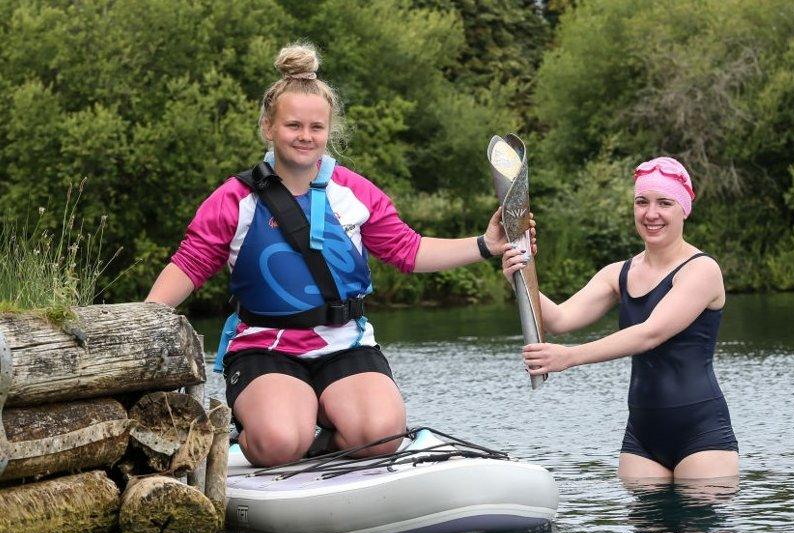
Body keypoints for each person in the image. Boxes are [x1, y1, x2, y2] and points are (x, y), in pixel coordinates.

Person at [146, 42, 527, 467]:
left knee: (381, 436)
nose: (305, 136)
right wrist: (143, 321)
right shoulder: (234, 199)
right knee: (278, 440)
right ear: (268, 127)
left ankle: (323, 440)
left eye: (316, 127)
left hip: (344, 343)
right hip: (264, 346)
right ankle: (265, 439)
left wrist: (486, 244)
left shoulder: (355, 192)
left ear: (328, 131)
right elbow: (190, 264)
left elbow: (409, 250)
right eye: (293, 125)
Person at [501, 156, 738, 480]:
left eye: (664, 203)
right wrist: (519, 274)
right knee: (642, 532)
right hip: (641, 438)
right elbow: (559, 318)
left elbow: (650, 333)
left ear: (684, 209)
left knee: (697, 531)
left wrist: (568, 356)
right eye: (642, 202)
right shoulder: (618, 274)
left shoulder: (702, 270)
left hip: (702, 435)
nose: (651, 213)